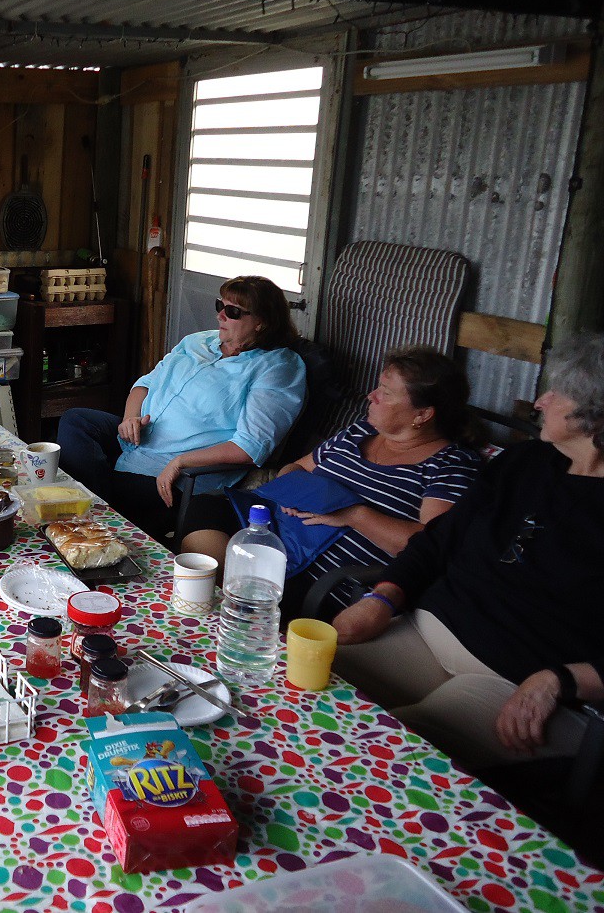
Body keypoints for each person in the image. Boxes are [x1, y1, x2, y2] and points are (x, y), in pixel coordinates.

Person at [332, 334, 604, 769]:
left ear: (595, 415)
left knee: (383, 752)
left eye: (558, 393)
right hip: (426, 633)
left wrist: (561, 680)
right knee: (309, 685)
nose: (540, 402)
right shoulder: (525, 462)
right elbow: (439, 538)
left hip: (514, 680)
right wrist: (383, 597)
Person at [180, 346, 482, 612]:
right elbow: (295, 467)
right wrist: (295, 493)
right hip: (281, 533)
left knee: (249, 579)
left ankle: (230, 601)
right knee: (207, 508)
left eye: (386, 393)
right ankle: (223, 599)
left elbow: (430, 545)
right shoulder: (361, 431)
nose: (371, 396)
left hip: (326, 573)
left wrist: (353, 515)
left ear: (422, 415)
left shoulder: (451, 465)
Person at [58, 275, 307, 538]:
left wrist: (181, 461)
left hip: (174, 473)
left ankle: (91, 514)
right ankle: (94, 508)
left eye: (232, 312)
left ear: (261, 322)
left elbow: (249, 447)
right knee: (76, 420)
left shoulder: (277, 368)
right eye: (219, 305)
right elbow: (145, 383)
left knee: (86, 485)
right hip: (140, 438)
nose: (220, 316)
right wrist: (130, 417)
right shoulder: (198, 342)